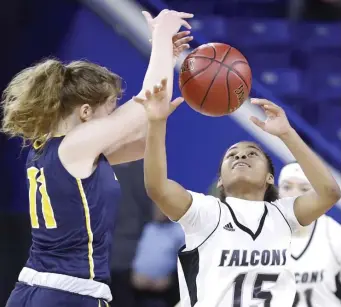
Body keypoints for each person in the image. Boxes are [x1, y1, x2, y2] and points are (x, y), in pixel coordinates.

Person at [1, 9, 193, 307]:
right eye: (111, 108)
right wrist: (160, 40)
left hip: (35, 289)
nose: (115, 115)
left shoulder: (56, 148)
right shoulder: (77, 142)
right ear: (86, 112)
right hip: (69, 294)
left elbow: (143, 142)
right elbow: (150, 98)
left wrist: (166, 61)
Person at [134, 87, 341, 307]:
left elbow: (330, 193)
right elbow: (158, 188)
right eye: (231, 155)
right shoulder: (206, 212)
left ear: (270, 177)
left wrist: (287, 134)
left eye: (252, 153)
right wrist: (156, 123)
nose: (241, 155)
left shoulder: (284, 214)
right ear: (220, 180)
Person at [278, 162, 341, 307]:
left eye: (304, 188)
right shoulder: (259, 237)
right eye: (287, 187)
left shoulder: (334, 236)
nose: (294, 194)